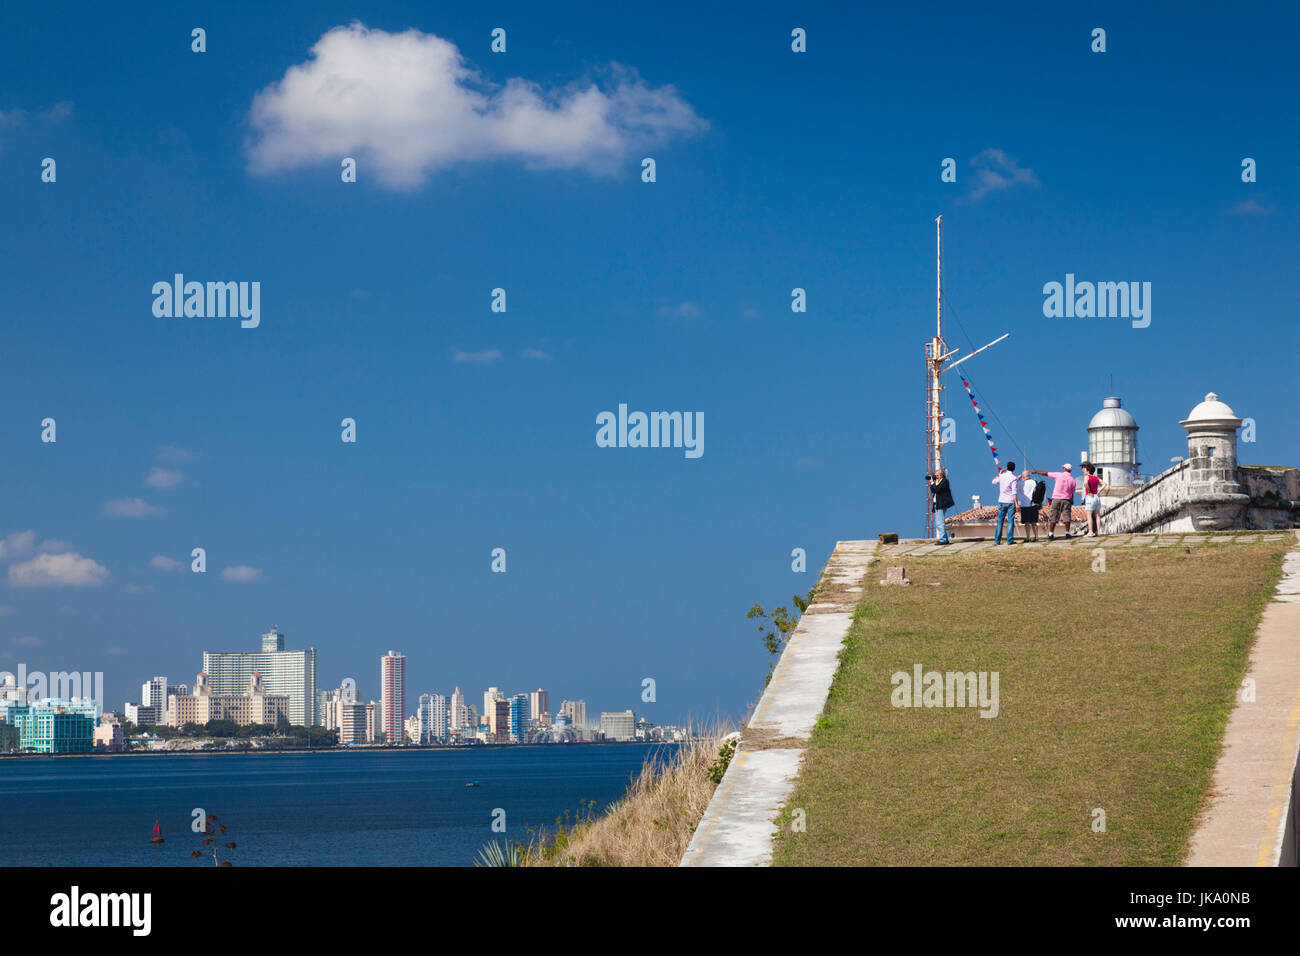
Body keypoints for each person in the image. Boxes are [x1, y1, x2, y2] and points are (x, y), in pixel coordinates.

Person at [1027, 463, 1077, 540]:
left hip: (1056, 499)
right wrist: (1071, 500)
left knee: (1053, 516)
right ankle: (1067, 533)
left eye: (1063, 468)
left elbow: (1046, 473)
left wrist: (1036, 472)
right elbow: (1072, 492)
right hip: (1067, 499)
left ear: (1064, 469)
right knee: (1066, 516)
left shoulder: (1059, 475)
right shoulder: (1072, 480)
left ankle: (1051, 534)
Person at [990, 461, 1020, 545]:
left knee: (1000, 521)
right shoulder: (1013, 478)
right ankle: (1009, 540)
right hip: (1010, 501)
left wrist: (999, 474)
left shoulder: (1002, 476)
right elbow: (1014, 492)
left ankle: (997, 540)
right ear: (1014, 469)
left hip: (1001, 501)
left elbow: (993, 481)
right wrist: (1017, 504)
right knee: (1010, 521)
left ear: (1006, 467)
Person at [928, 468, 955, 544]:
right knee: (938, 523)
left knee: (940, 523)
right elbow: (933, 490)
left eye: (937, 475)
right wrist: (932, 483)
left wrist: (933, 483)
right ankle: (944, 539)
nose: (935, 476)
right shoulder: (937, 482)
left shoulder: (945, 482)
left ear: (941, 475)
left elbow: (938, 490)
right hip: (937, 504)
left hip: (941, 504)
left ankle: (943, 539)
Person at [1082, 462, 1107, 536]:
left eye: (1084, 468)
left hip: (1090, 497)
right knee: (1097, 515)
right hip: (1096, 497)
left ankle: (1090, 531)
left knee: (1089, 516)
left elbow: (1086, 484)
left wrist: (1089, 491)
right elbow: (1104, 484)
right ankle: (1099, 532)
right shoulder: (1096, 478)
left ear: (1088, 469)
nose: (1083, 469)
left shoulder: (1087, 476)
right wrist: (1099, 491)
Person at [1018, 469, 1041, 541]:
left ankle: (1028, 538)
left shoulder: (1020, 484)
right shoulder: (1034, 482)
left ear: (1023, 477)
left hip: (1025, 505)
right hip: (1034, 504)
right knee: (1034, 522)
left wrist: (1017, 479)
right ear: (1029, 476)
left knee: (1027, 523)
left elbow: (1012, 486)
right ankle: (1036, 537)